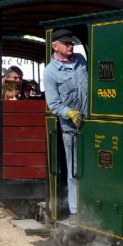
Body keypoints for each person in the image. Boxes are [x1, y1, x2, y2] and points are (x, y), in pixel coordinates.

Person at [44, 28, 88, 224]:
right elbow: (54, 105)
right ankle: (74, 210)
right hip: (70, 128)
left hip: (90, 124)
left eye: (72, 43)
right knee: (75, 169)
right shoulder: (50, 72)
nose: (71, 45)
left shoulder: (81, 61)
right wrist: (69, 113)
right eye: (67, 43)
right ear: (55, 46)